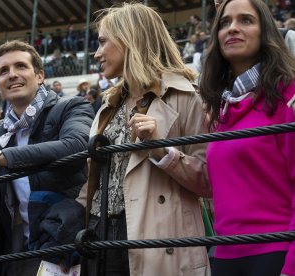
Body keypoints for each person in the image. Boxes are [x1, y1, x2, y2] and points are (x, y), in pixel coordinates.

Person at [76, 3, 211, 275]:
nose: (97, 52)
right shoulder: (108, 105)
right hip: (98, 234)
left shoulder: (187, 97)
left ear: (130, 39)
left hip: (155, 238)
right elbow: (96, 178)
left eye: (103, 42)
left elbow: (209, 181)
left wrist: (162, 150)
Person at [0, 40, 94, 275]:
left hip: (61, 240)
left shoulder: (71, 106)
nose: (12, 75)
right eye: (4, 71)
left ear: (40, 75)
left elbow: (76, 147)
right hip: (15, 247)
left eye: (20, 66)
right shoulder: (1, 128)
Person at [200, 0, 295, 275]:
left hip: (275, 254)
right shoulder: (221, 105)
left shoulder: (289, 93)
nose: (233, 28)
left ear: (265, 31)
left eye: (246, 20)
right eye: (225, 22)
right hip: (225, 256)